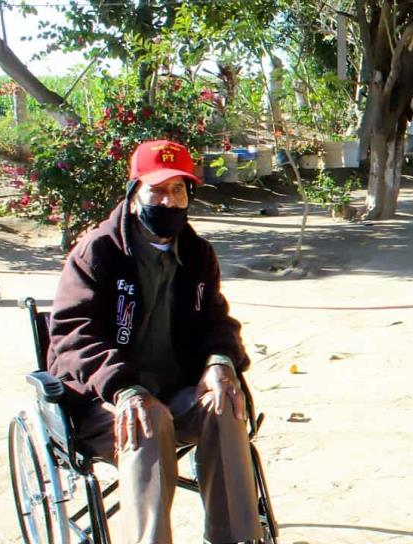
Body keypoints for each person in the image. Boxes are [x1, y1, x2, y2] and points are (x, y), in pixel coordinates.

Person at [47, 139, 263, 544]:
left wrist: (220, 362)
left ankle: (235, 538)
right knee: (148, 420)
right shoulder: (98, 252)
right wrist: (125, 389)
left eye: (178, 190)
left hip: (176, 391)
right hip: (106, 401)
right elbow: (72, 334)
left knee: (225, 403)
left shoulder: (198, 254)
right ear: (134, 195)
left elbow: (216, 319)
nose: (168, 201)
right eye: (157, 190)